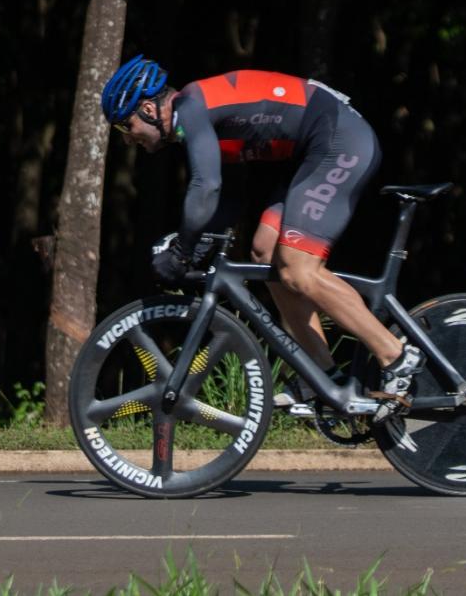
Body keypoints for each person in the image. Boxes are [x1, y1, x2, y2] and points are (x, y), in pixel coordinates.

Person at [101, 55, 424, 420]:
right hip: (315, 152)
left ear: (147, 109)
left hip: (339, 141)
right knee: (264, 252)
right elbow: (228, 199)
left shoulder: (191, 107)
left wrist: (180, 251)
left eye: (125, 127)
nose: (129, 140)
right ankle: (320, 376)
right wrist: (194, 250)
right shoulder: (197, 121)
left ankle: (395, 355)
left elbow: (205, 186)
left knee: (299, 270)